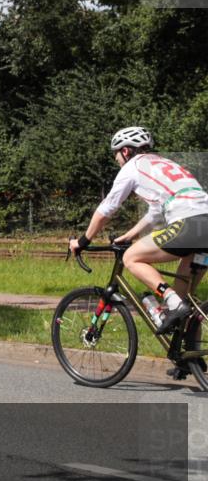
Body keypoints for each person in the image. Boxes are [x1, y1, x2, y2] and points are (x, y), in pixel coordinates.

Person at [69, 126, 208, 336]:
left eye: (116, 154)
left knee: (131, 257)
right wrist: (129, 236)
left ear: (125, 151)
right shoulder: (164, 163)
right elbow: (154, 213)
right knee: (183, 300)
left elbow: (107, 208)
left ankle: (171, 300)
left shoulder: (132, 167)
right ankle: (190, 361)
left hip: (189, 222)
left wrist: (83, 241)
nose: (116, 160)